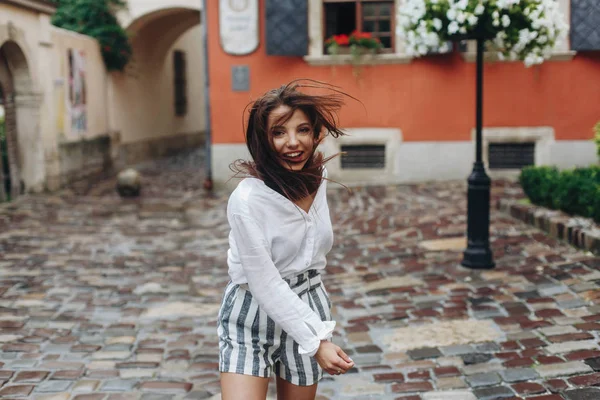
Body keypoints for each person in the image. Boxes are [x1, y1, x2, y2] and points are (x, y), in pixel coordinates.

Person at [217, 80, 355, 400]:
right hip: (251, 314)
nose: (293, 142)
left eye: (302, 130)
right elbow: (264, 282)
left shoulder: (316, 180)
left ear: (316, 133)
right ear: (262, 140)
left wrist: (313, 333)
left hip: (309, 301)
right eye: (279, 132)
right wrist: (317, 340)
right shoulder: (247, 200)